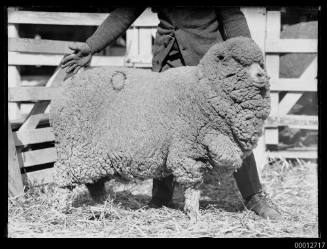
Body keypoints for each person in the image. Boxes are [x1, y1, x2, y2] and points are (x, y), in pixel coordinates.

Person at [60, 7, 281, 219]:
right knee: (162, 125)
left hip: (206, 62)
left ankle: (254, 196)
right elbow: (125, 12)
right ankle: (162, 196)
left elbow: (232, 17)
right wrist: (92, 45)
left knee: (230, 127)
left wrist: (248, 58)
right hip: (168, 57)